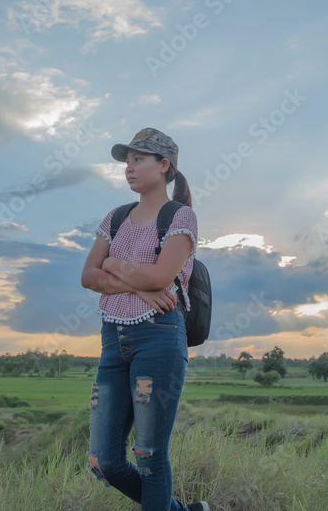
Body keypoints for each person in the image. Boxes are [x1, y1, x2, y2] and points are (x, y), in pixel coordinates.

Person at [80, 128, 209, 511]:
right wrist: (140, 287)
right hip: (111, 341)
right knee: (102, 461)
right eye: (127, 160)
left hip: (159, 340)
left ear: (164, 165)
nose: (129, 168)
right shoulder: (116, 217)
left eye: (139, 159)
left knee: (150, 455)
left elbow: (159, 278)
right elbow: (88, 277)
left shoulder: (179, 216)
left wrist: (114, 264)